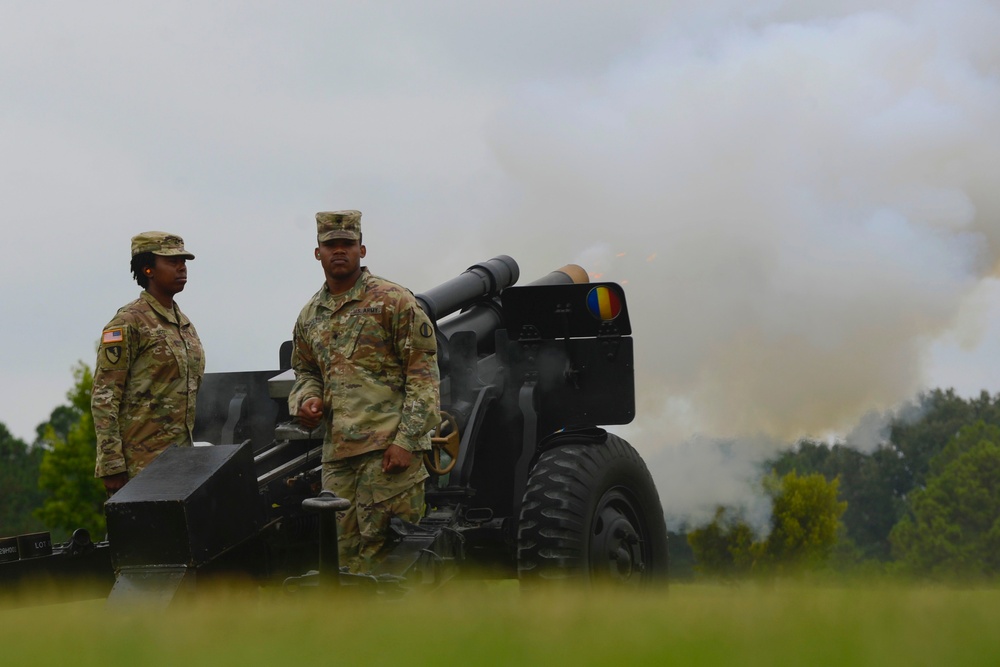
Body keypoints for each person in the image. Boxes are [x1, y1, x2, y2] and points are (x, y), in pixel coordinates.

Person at [288, 210, 441, 573]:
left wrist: (406, 441)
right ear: (317, 253)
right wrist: (305, 400)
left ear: (362, 250)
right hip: (339, 456)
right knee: (340, 560)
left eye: (347, 244)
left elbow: (423, 378)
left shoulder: (395, 301)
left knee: (391, 556)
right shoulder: (310, 315)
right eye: (330, 245)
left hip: (389, 456)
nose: (338, 251)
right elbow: (306, 370)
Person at [92, 232, 205, 494]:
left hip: (180, 466)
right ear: (148, 269)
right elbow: (104, 396)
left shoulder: (184, 324)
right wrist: (112, 464)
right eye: (172, 261)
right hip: (140, 469)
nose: (181, 267)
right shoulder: (128, 322)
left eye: (183, 261)